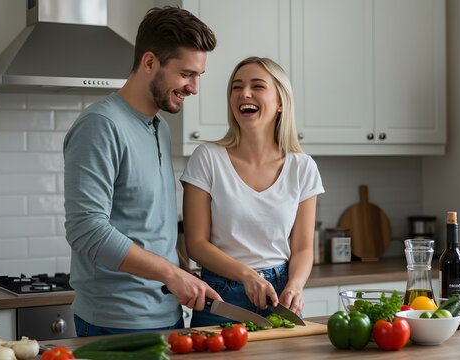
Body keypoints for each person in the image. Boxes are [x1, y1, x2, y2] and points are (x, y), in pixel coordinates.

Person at [63, 6, 220, 336]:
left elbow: (148, 225)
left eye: (198, 77)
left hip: (167, 314)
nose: (194, 88)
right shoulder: (101, 125)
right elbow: (86, 228)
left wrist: (182, 272)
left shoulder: (160, 127)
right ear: (150, 62)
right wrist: (171, 274)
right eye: (186, 74)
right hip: (114, 322)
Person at [181, 57, 324, 326]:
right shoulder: (208, 158)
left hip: (280, 295)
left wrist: (294, 286)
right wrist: (247, 276)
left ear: (281, 102)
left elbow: (303, 247)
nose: (244, 93)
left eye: (257, 86)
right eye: (237, 87)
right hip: (222, 295)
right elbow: (196, 245)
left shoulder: (302, 167)